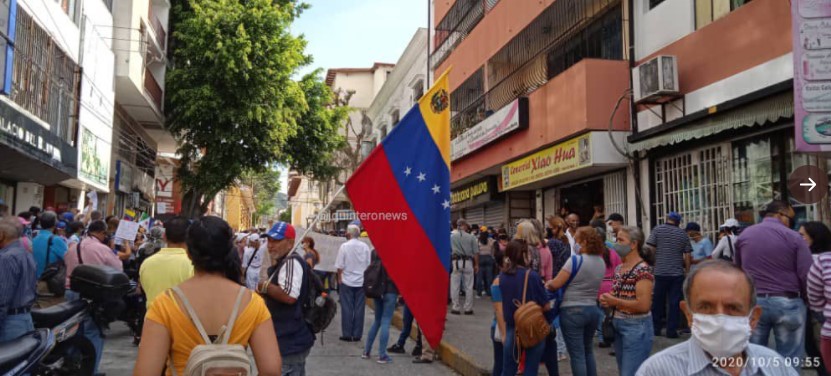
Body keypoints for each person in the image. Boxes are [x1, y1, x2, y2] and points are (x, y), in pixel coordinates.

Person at [134, 216, 280, 376]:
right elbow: (271, 370)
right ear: (229, 250)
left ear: (188, 252)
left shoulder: (165, 304)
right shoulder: (253, 303)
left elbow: (145, 372)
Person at [636, 260, 797, 376]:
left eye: (733, 308)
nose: (720, 318)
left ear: (753, 318)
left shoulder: (776, 366)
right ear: (688, 314)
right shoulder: (657, 371)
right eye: (706, 307)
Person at [735, 201, 813, 364]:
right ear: (780, 214)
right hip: (789, 302)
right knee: (789, 359)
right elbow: (806, 274)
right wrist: (807, 300)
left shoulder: (744, 236)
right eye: (790, 219)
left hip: (755, 303)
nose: (791, 223)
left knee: (753, 358)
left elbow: (738, 272)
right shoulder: (794, 238)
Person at [63, 220, 123, 373]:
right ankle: (90, 369)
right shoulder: (101, 249)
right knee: (93, 332)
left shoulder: (73, 247)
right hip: (93, 295)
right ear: (102, 233)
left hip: (71, 292)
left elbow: (66, 264)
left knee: (74, 330)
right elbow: (118, 268)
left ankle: (71, 365)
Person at [546, 227, 605, 376]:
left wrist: (547, 283)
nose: (575, 244)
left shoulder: (575, 260)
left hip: (572, 311)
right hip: (592, 309)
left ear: (584, 242)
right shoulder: (600, 262)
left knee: (577, 355)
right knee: (588, 351)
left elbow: (556, 284)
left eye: (576, 240)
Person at [257, 221, 315, 375]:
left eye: (276, 241)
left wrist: (264, 286)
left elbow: (289, 296)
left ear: (290, 243)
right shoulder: (284, 262)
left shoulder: (291, 262)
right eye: (269, 240)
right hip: (287, 340)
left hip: (290, 342)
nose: (270, 245)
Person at [599, 226, 655, 376]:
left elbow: (643, 305)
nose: (617, 244)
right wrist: (607, 298)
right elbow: (617, 294)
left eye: (621, 240)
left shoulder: (642, 270)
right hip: (618, 324)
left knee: (630, 372)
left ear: (633, 244)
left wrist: (614, 301)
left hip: (636, 326)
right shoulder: (619, 268)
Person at [500, 240, 550, 376]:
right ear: (522, 254)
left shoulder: (502, 276)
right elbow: (546, 305)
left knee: (508, 369)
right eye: (528, 252)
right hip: (531, 327)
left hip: (512, 327)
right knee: (531, 369)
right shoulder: (532, 276)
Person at [646, 211, 691, 338]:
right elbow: (687, 255)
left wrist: (652, 264)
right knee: (674, 303)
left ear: (667, 219)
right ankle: (671, 331)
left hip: (660, 272)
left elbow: (651, 249)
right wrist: (687, 272)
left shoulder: (657, 230)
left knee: (658, 302)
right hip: (677, 274)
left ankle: (656, 329)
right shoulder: (683, 234)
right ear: (678, 222)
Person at [139, 216, 194, 308]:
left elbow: (142, 289)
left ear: (164, 236)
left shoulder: (147, 263)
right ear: (190, 238)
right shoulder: (193, 265)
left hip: (151, 319)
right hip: (181, 320)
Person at [0, 217, 36, 342]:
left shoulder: (6, 258)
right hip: (24, 319)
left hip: (9, 323)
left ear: (1, 235)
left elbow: (2, 298)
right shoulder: (25, 253)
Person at [334, 224, 371, 341]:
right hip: (361, 281)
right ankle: (357, 335)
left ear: (348, 234)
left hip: (347, 281)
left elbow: (339, 265)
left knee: (346, 308)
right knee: (360, 308)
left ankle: (347, 334)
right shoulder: (365, 246)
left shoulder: (344, 246)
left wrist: (339, 277)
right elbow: (369, 264)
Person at [804, 222, 831, 375]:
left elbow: (815, 298)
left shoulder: (820, 261)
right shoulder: (822, 261)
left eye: (802, 235)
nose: (798, 239)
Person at [362, 250, 399, 364]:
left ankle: (366, 351)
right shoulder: (395, 253)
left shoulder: (374, 251)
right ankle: (382, 354)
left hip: (377, 289)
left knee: (377, 320)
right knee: (386, 321)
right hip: (391, 290)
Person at [546, 215, 572, 361]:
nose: (548, 229)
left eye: (549, 227)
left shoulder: (552, 243)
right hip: (564, 281)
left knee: (553, 316)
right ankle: (561, 349)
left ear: (555, 228)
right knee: (559, 316)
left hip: (553, 282)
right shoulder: (566, 242)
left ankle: (558, 350)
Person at [596, 228, 622, 348]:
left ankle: (602, 338)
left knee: (599, 314)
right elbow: (619, 270)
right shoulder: (614, 253)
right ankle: (612, 339)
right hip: (611, 286)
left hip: (597, 287)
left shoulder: (592, 254)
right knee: (611, 315)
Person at [450, 218, 478, 315]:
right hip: (468, 262)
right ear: (465, 226)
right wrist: (476, 264)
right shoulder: (471, 237)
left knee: (455, 286)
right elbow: (475, 253)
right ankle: (468, 308)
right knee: (469, 286)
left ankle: (455, 307)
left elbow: (449, 249)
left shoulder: (452, 237)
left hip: (456, 262)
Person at [32, 211, 68, 279]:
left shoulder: (34, 238)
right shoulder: (56, 240)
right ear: (55, 224)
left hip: (33, 279)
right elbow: (68, 259)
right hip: (49, 280)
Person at [490, 276, 507, 376]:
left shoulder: (498, 280)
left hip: (499, 327)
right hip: (501, 328)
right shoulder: (498, 281)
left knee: (500, 364)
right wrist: (504, 333)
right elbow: (499, 310)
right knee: (501, 364)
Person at [477, 231, 496, 297]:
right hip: (489, 258)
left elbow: (477, 251)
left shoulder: (478, 241)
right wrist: (492, 258)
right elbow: (493, 251)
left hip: (480, 258)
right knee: (489, 277)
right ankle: (489, 292)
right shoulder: (491, 241)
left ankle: (479, 293)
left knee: (479, 277)